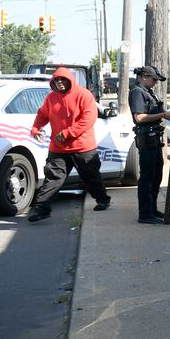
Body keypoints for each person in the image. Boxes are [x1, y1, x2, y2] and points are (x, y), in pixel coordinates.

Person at [27, 66, 111, 222]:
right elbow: (42, 114)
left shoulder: (84, 95)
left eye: (62, 80)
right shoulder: (51, 98)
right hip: (59, 148)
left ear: (70, 80)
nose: (59, 83)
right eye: (56, 80)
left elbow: (88, 119)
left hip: (82, 146)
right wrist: (35, 128)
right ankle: (42, 209)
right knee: (53, 178)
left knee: (91, 177)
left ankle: (103, 200)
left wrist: (67, 133)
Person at [128, 65, 170, 224]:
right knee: (147, 178)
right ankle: (145, 214)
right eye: (154, 79)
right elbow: (139, 118)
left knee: (156, 176)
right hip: (146, 139)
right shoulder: (137, 92)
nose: (156, 82)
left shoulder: (148, 91)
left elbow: (156, 110)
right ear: (144, 77)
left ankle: (152, 208)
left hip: (155, 138)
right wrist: (163, 114)